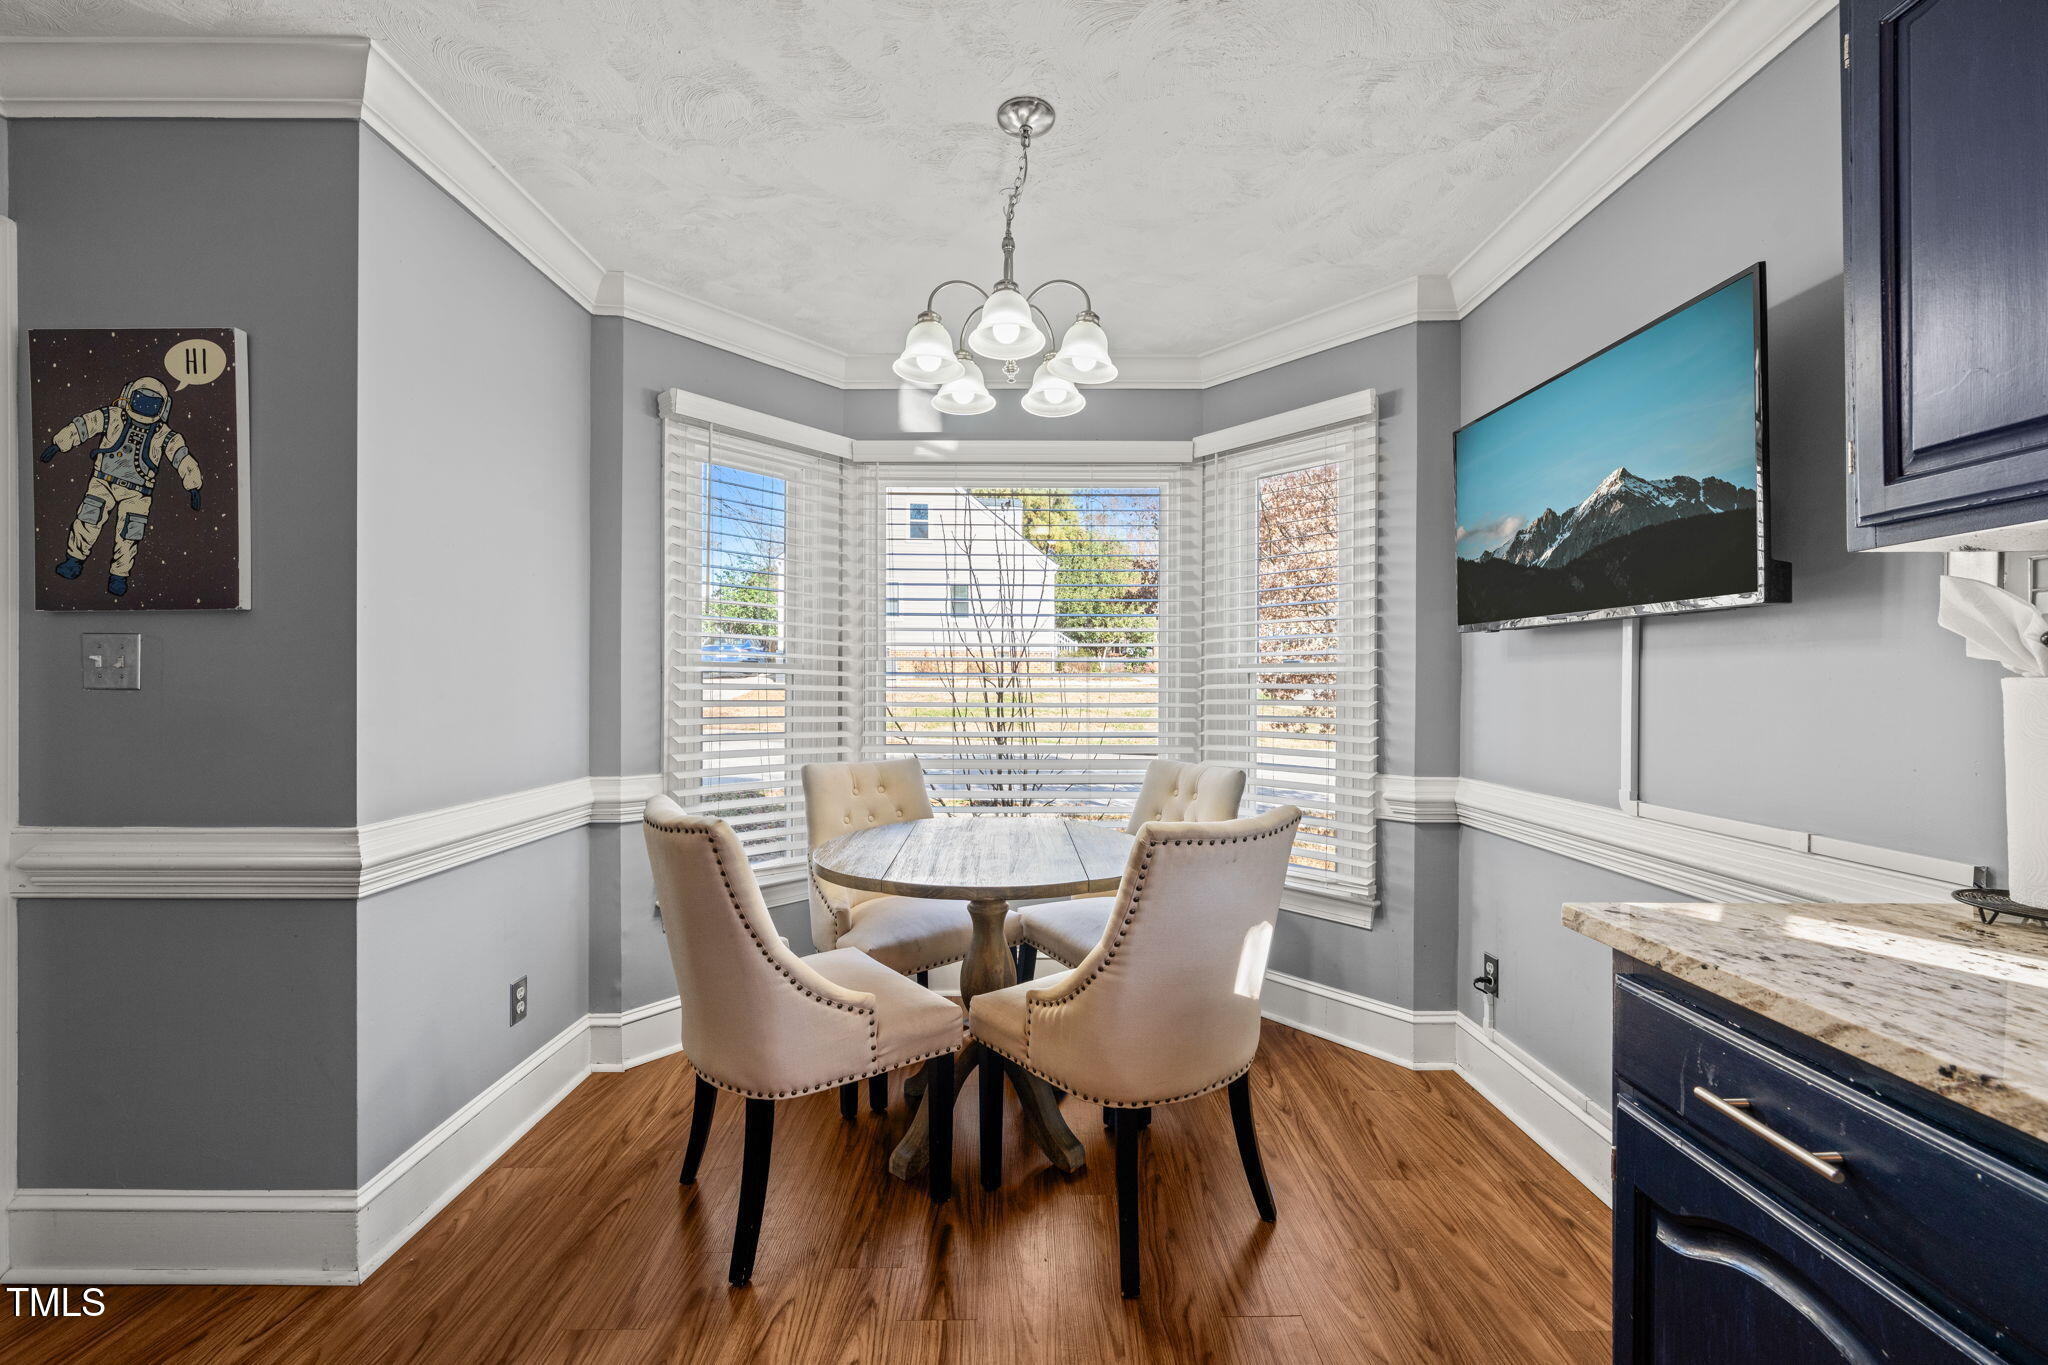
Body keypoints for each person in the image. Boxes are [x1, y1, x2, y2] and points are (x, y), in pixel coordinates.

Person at [40, 375, 203, 597]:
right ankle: (74, 561)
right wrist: (59, 443)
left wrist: (192, 483)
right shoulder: (113, 416)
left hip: (137, 494)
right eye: (141, 400)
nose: (145, 407)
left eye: (152, 404)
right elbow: (86, 424)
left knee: (129, 535)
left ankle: (119, 576)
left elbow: (181, 456)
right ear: (128, 396)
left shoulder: (163, 435)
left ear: (162, 407)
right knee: (88, 521)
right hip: (103, 482)